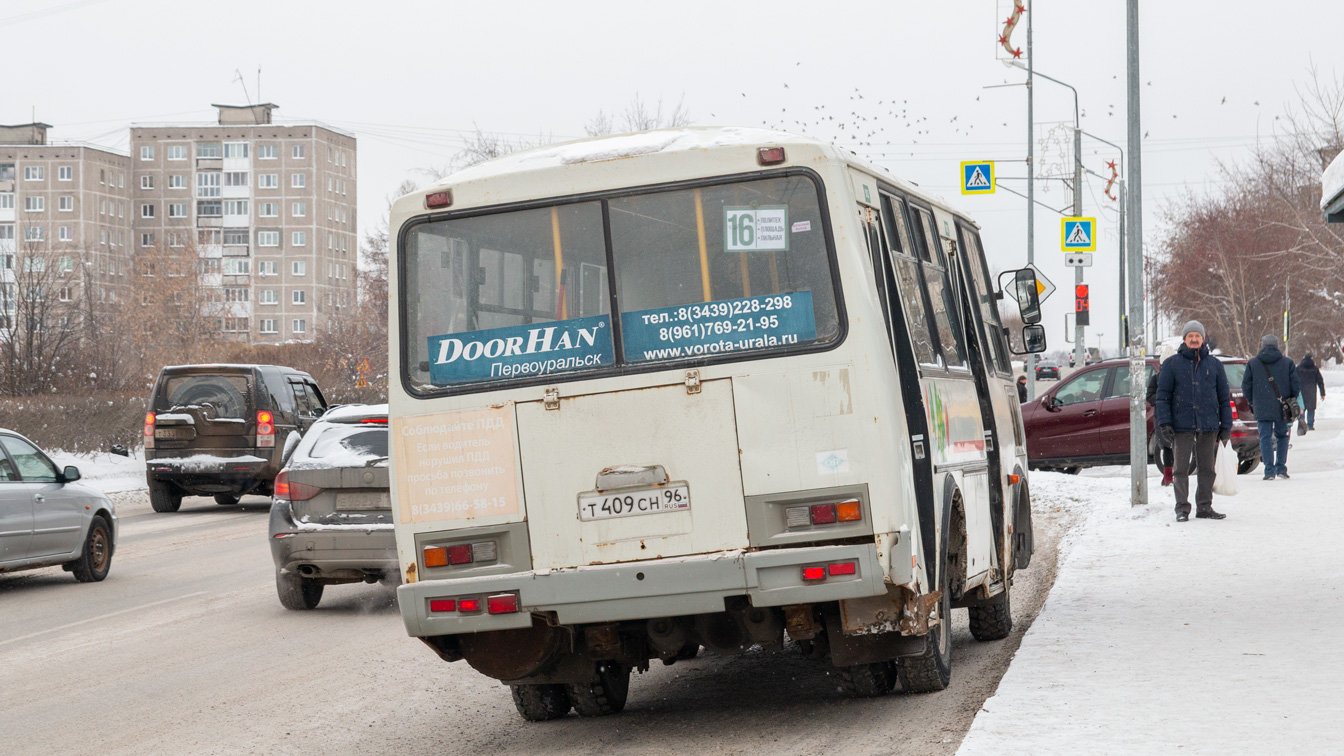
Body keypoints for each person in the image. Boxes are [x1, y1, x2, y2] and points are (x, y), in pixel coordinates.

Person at [1156, 320, 1233, 522]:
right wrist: (1165, 423)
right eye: (1190, 336)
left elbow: (1225, 397)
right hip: (1181, 424)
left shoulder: (1214, 365)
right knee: (1180, 469)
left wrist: (1226, 425)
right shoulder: (1172, 364)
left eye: (1197, 336)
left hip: (1208, 424)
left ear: (1203, 338)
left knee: (1207, 468)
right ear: (1184, 339)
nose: (1194, 339)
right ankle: (1182, 508)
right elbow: (1162, 396)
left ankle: (1204, 506)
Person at [1243, 334, 1300, 480]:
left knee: (1265, 437)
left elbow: (1246, 386)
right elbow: (1295, 385)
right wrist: (1290, 399)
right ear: (1276, 345)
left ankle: (1269, 471)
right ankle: (1281, 468)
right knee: (1282, 436)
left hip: (1261, 406)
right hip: (1283, 406)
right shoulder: (1287, 363)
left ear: (1262, 345)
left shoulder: (1253, 363)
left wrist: (1253, 401)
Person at [1147, 341, 1180, 486]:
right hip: (1162, 416)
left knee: (1175, 446)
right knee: (1166, 446)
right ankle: (1168, 475)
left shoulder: (1179, 378)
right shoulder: (1156, 379)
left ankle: (1173, 474)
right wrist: (1163, 398)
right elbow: (1150, 397)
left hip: (1175, 415)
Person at [1297, 352, 1326, 431]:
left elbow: (1293, 380)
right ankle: (1310, 425)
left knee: (1302, 408)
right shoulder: (1315, 369)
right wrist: (1322, 393)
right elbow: (1320, 381)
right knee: (1311, 409)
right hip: (1311, 391)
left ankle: (1302, 424)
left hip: (1301, 391)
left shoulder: (1299, 368)